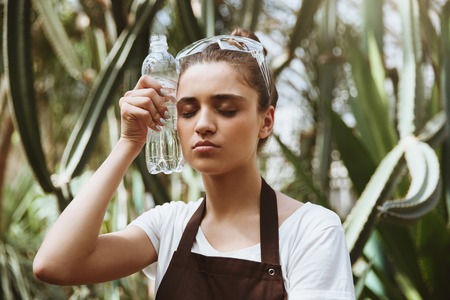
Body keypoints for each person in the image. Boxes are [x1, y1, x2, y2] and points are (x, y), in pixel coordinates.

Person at [33, 28, 355, 299]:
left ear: (266, 121)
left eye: (226, 109)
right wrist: (128, 143)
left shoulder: (311, 231)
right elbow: (56, 264)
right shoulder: (168, 226)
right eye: (187, 111)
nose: (203, 124)